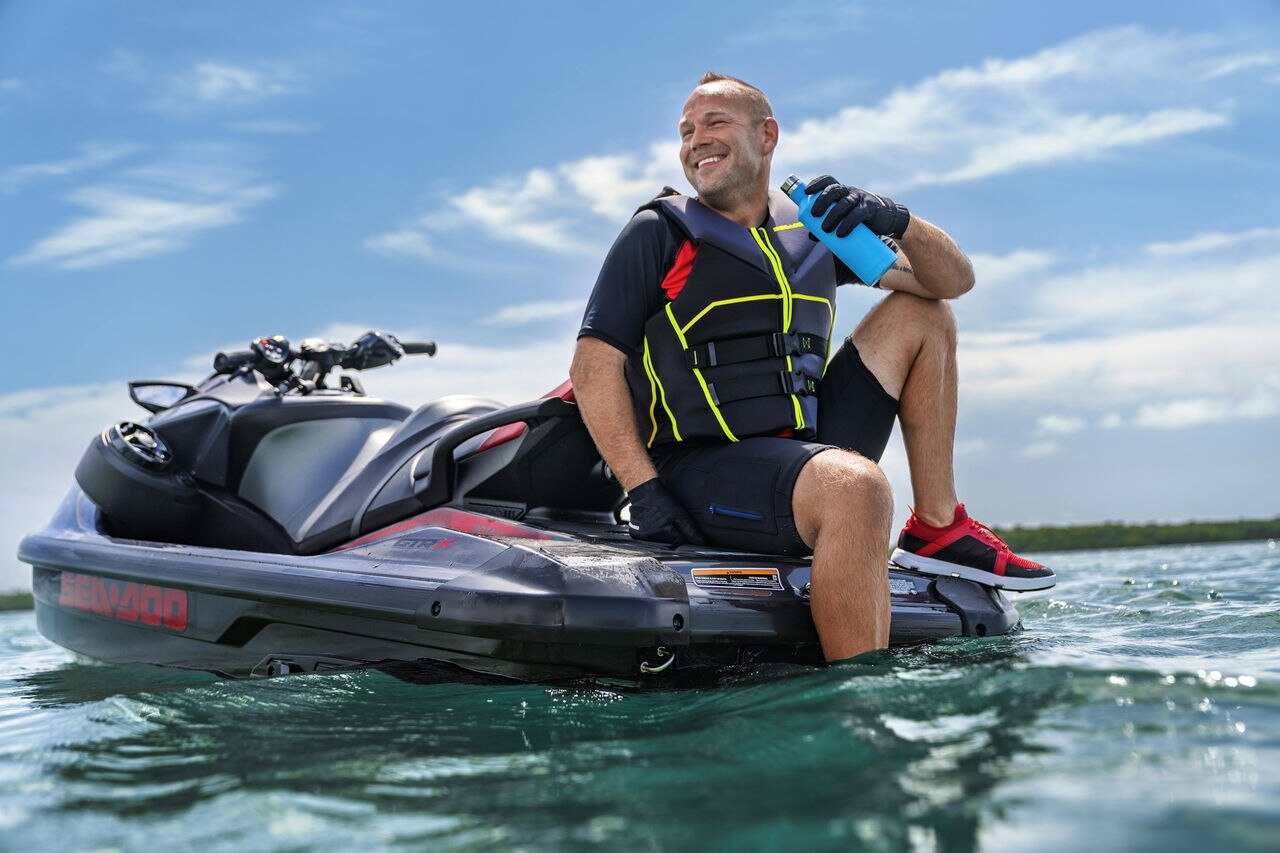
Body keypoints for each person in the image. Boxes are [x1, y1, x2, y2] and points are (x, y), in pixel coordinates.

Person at [571, 72, 1054, 662]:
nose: (697, 139)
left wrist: (894, 219)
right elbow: (593, 366)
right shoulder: (658, 233)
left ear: (767, 135)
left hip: (808, 451)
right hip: (700, 465)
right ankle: (857, 709)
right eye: (687, 130)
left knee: (924, 315)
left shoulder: (816, 230)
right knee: (856, 487)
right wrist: (642, 489)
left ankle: (936, 525)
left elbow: (954, 280)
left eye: (715, 122)